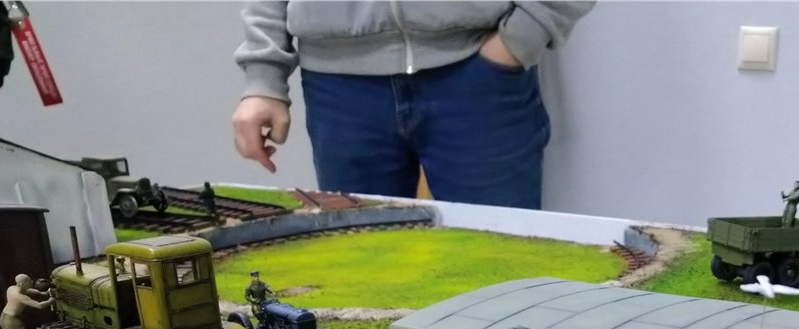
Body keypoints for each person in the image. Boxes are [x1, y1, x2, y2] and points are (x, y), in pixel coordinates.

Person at [231, 2, 595, 210]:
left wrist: (523, 36)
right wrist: (264, 77)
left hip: (476, 73)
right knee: (368, 272)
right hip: (340, 88)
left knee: (503, 268)